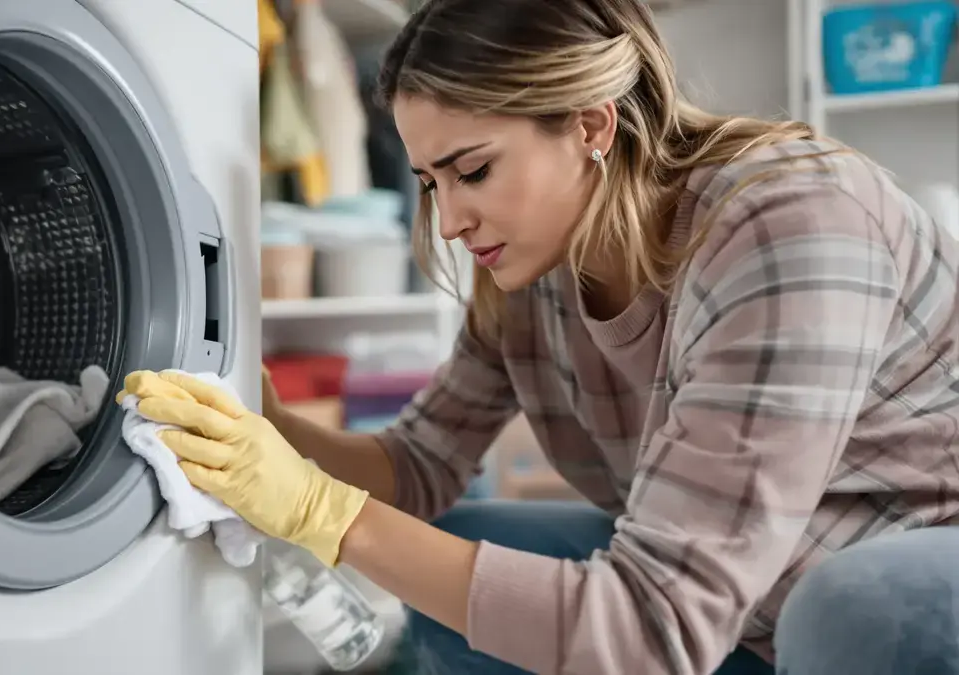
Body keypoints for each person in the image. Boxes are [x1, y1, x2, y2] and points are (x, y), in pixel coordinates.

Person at [120, 0, 959, 672]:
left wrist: (321, 511)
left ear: (591, 126)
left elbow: (652, 629)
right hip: (730, 605)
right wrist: (270, 428)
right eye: (430, 182)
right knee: (454, 547)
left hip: (889, 585)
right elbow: (419, 465)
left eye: (473, 170)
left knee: (847, 606)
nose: (450, 220)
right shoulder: (536, 269)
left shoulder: (789, 225)